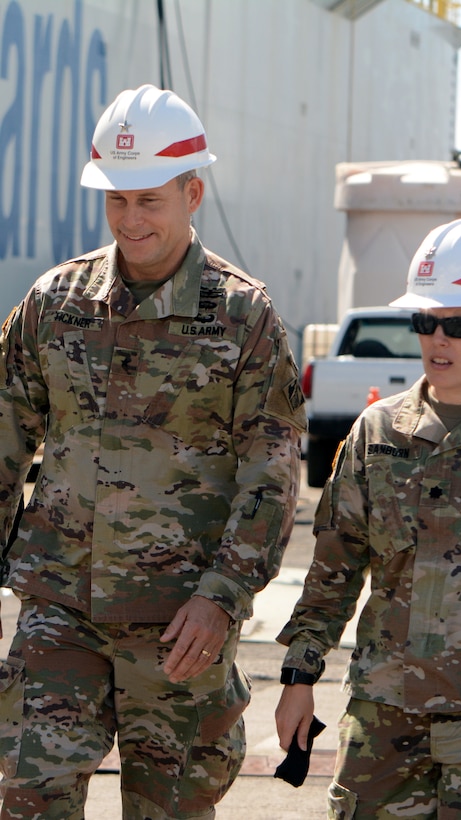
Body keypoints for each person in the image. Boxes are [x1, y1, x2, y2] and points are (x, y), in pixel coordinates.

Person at [0, 83, 306, 819]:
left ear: (192, 192)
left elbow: (270, 475)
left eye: (149, 200)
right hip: (59, 606)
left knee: (167, 808)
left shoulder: (242, 315)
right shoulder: (55, 301)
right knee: (28, 795)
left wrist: (221, 598)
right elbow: (5, 439)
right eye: (115, 199)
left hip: (179, 621)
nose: (129, 220)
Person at [275, 217, 461, 819]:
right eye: (425, 321)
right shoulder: (378, 432)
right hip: (385, 724)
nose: (437, 339)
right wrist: (298, 677)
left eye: (460, 325)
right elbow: (333, 573)